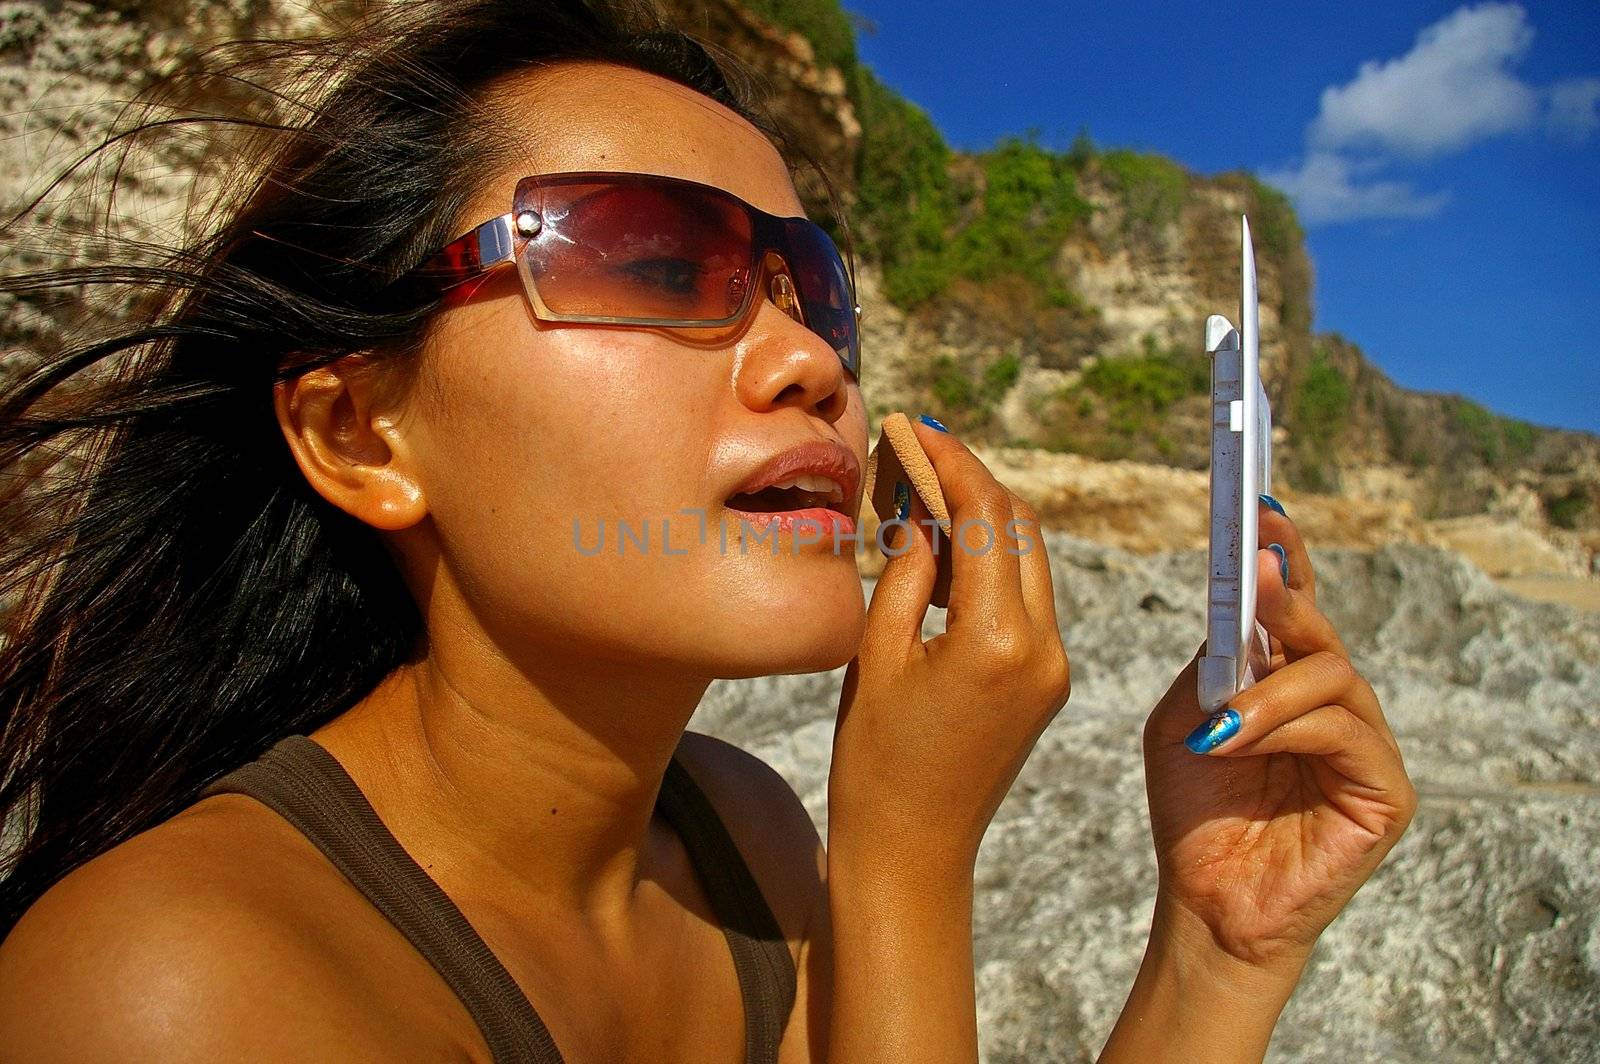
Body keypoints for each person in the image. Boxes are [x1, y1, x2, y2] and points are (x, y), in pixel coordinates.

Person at [0, 1, 1416, 1060]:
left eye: (811, 288)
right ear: (359, 436)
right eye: (654, 260)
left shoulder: (740, 837)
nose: (810, 362)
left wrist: (1220, 952)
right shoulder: (172, 988)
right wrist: (905, 853)